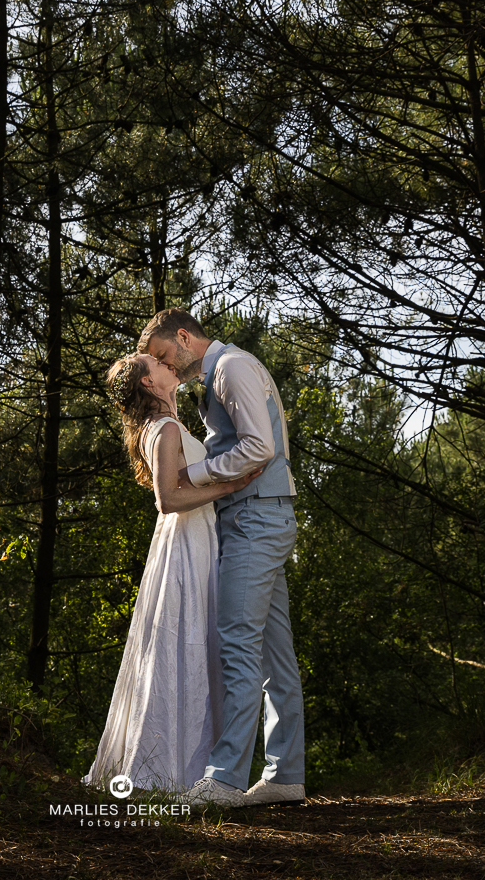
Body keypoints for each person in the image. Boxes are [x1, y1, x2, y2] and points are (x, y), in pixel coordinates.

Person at [140, 308, 306, 809]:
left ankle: (226, 778)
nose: (170, 368)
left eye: (167, 356)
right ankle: (285, 774)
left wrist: (197, 476)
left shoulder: (230, 367)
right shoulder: (220, 376)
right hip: (257, 518)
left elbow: (259, 447)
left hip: (255, 519)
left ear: (185, 337)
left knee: (237, 645)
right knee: (276, 656)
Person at [83, 351, 259, 794]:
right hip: (184, 543)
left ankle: (196, 764)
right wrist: (229, 486)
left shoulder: (165, 426)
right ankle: (173, 769)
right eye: (156, 364)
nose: (165, 364)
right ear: (148, 383)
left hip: (195, 538)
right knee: (185, 641)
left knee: (192, 641)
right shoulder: (162, 429)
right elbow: (168, 499)